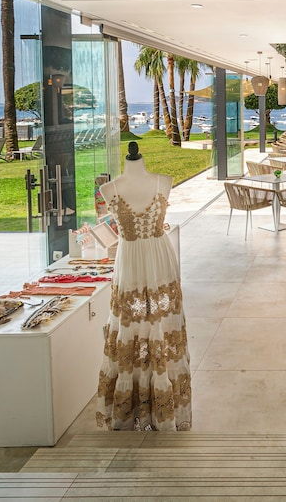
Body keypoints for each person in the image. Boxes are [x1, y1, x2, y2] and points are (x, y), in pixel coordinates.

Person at [96, 141, 191, 431]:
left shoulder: (164, 181)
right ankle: (134, 404)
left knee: (160, 323)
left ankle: (161, 403)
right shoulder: (110, 188)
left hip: (159, 262)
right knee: (132, 324)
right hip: (131, 265)